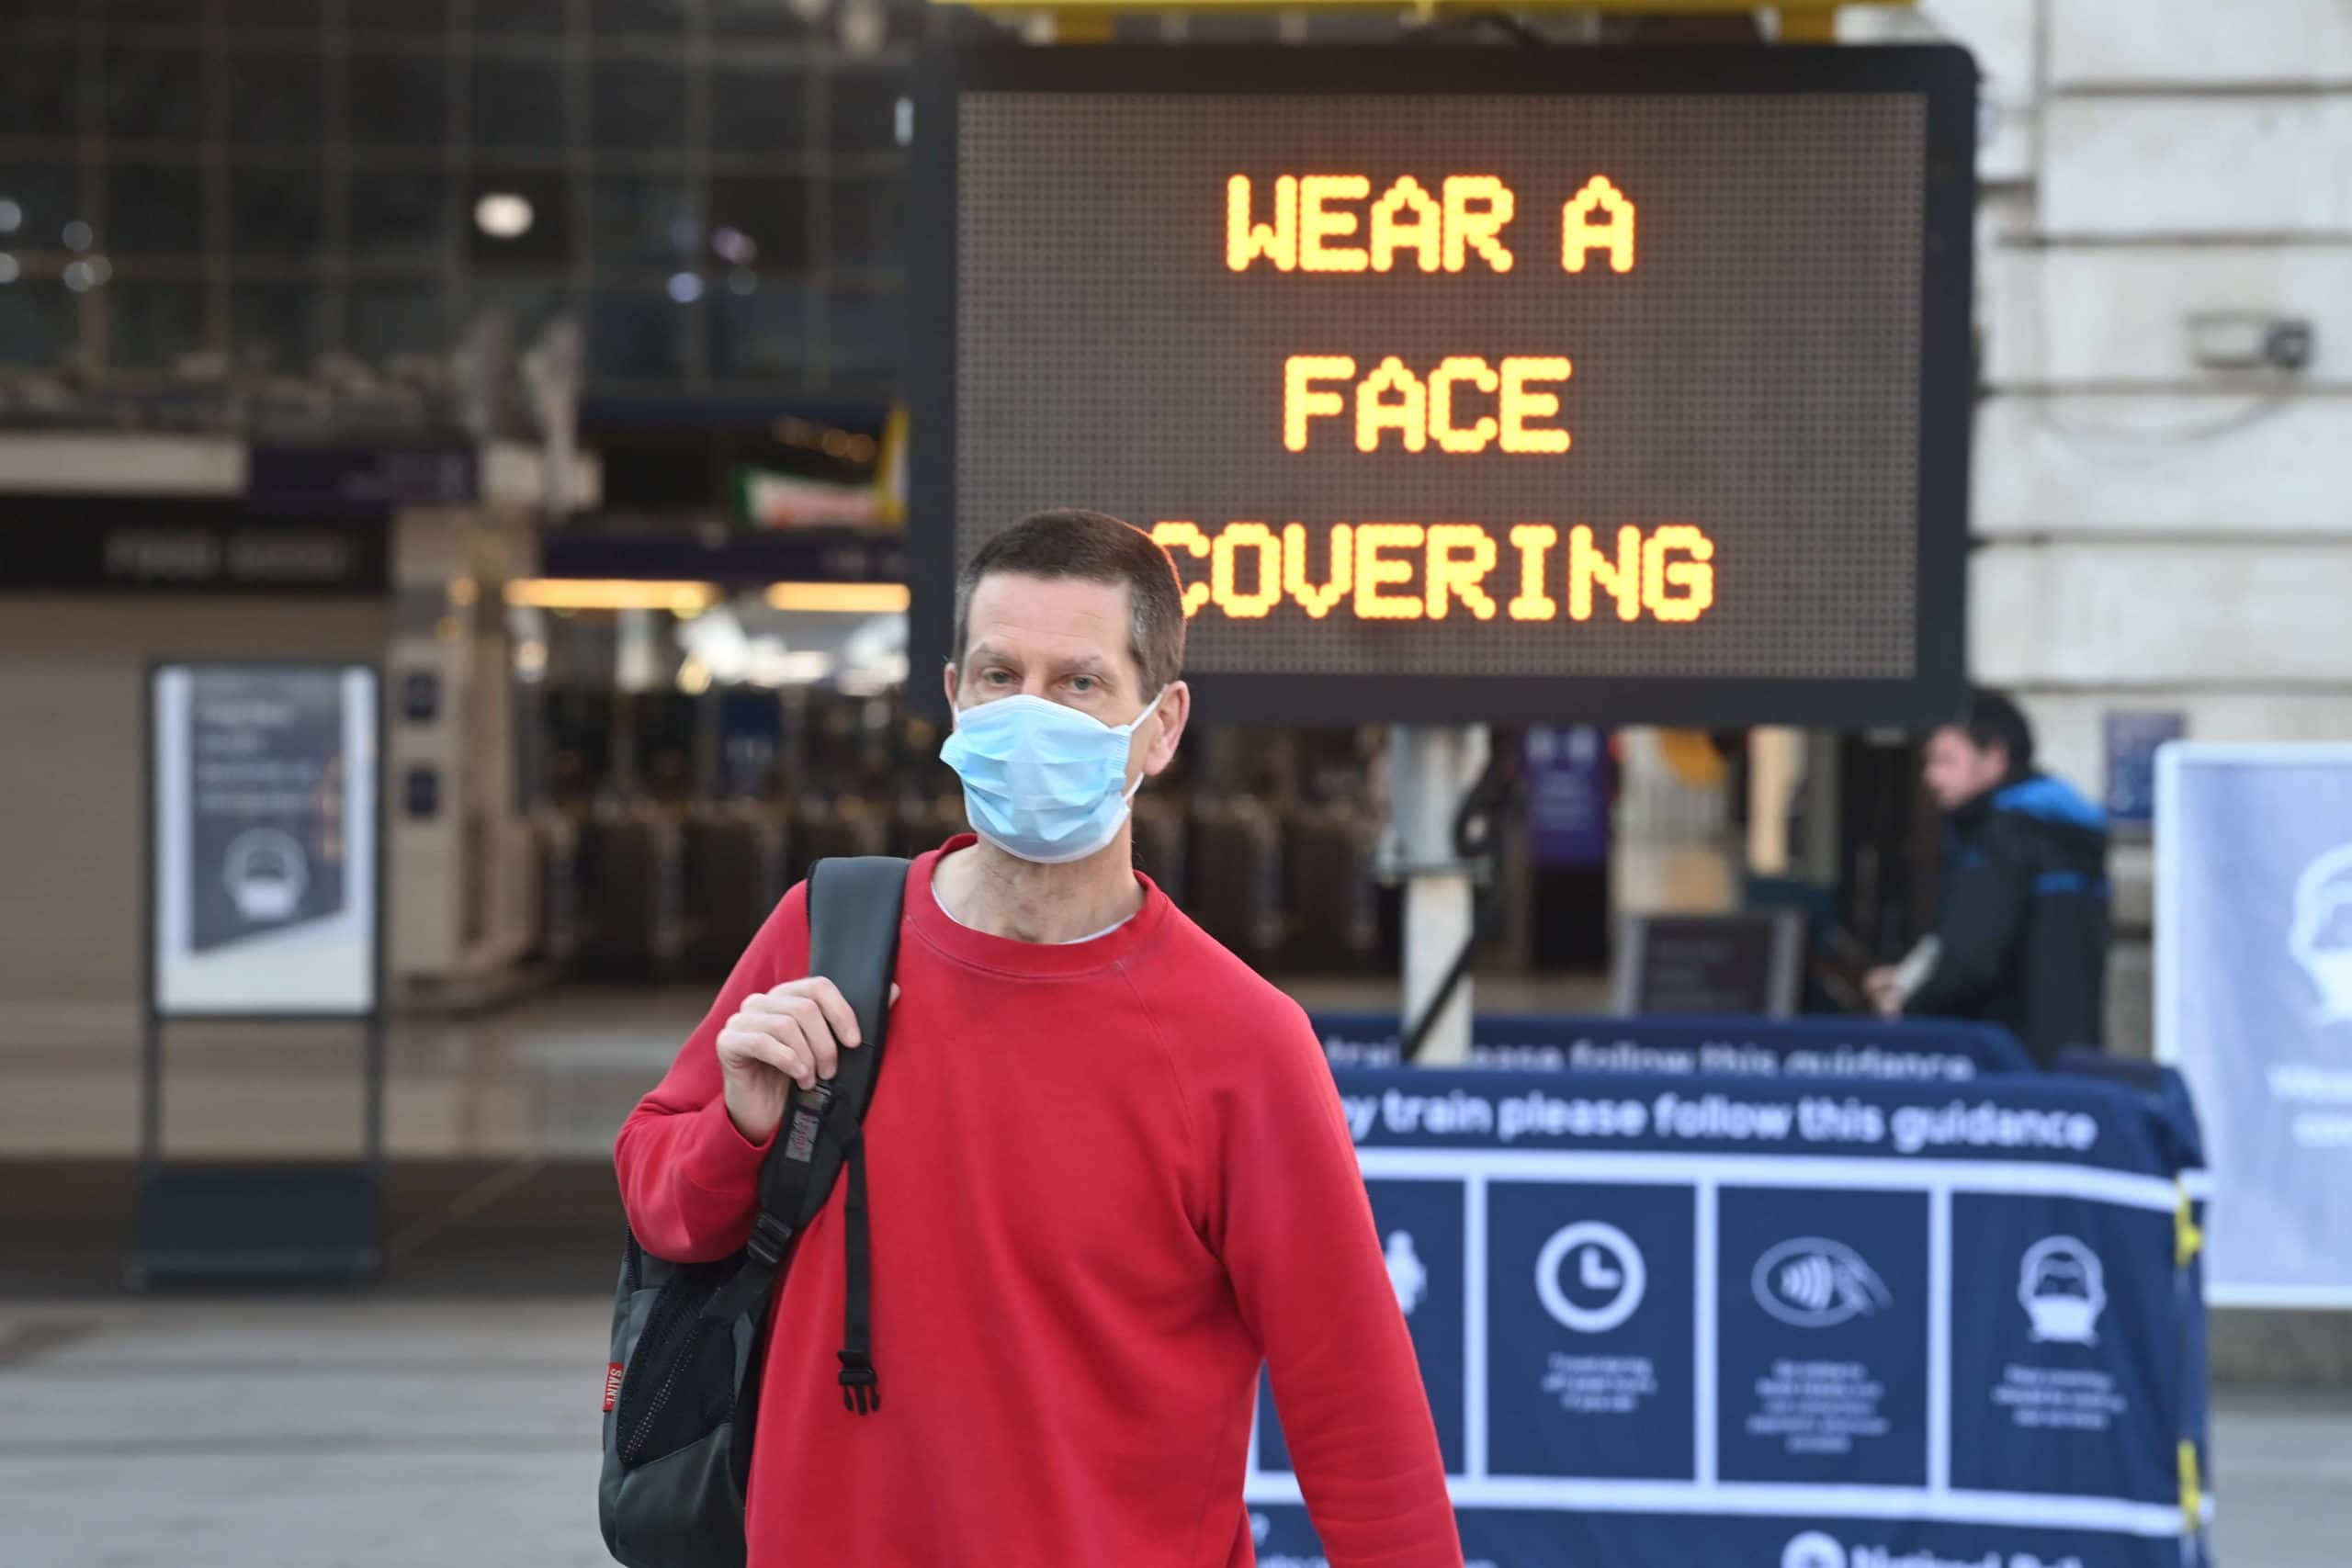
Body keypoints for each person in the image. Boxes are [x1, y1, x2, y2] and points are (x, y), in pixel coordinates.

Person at [615, 509, 1461, 1566]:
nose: (1030, 713)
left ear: (1161, 725)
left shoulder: (1241, 1043)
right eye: (999, 674)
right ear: (953, 694)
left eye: (1079, 682)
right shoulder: (826, 934)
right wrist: (737, 1128)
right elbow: (660, 1205)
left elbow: (1356, 1403)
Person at [1866, 688, 2110, 1065]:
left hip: (2006, 1064)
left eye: (1945, 760)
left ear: (1994, 760)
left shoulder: (2003, 836)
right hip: (2072, 1059)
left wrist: (1907, 1004)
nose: (1930, 776)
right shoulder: (2069, 832)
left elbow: (1970, 961)